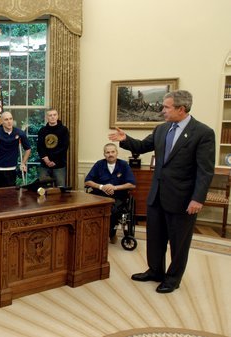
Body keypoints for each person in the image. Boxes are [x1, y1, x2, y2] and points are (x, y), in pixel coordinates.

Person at [109, 90, 215, 293]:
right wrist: (125, 139)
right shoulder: (161, 129)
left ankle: (173, 279)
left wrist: (198, 199)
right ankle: (155, 271)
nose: (162, 110)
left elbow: (205, 170)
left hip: (183, 198)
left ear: (181, 109)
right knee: (155, 238)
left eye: (166, 107)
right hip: (157, 195)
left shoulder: (203, 133)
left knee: (179, 242)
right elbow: (141, 146)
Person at [85, 143, 136, 244]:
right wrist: (102, 187)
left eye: (113, 152)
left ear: (117, 153)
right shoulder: (99, 164)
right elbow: (87, 181)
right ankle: (96, 233)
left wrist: (115, 187)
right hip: (99, 195)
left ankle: (111, 233)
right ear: (104, 154)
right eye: (107, 152)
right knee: (94, 209)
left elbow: (132, 184)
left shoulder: (124, 165)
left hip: (118, 196)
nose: (110, 154)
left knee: (112, 209)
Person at [0, 111, 31, 188]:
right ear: (1, 121)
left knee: (10, 195)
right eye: (6, 119)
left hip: (12, 169)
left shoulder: (19, 133)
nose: (9, 122)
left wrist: (23, 163)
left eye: (11, 119)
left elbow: (28, 149)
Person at [37, 109, 70, 187]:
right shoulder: (42, 130)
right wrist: (46, 159)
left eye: (54, 115)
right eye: (50, 115)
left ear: (57, 116)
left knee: (60, 188)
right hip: (45, 164)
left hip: (59, 164)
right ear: (47, 117)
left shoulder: (64, 130)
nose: (52, 117)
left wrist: (54, 160)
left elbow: (64, 147)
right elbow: (40, 147)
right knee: (43, 188)